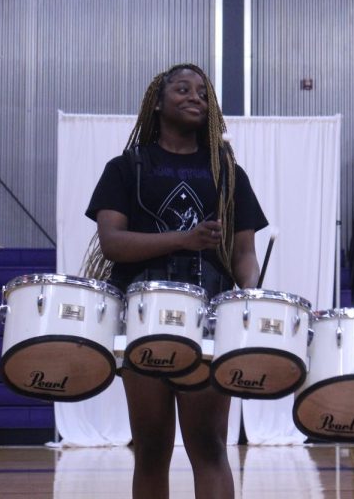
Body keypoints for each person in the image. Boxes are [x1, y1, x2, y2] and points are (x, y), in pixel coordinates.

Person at [83, 64, 267, 499]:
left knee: (209, 446)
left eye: (203, 93)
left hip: (208, 319)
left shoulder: (228, 173)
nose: (195, 97)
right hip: (141, 318)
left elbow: (244, 256)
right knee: (150, 449)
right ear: (158, 102)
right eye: (182, 89)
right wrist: (186, 239)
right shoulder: (126, 167)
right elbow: (111, 243)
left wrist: (253, 299)